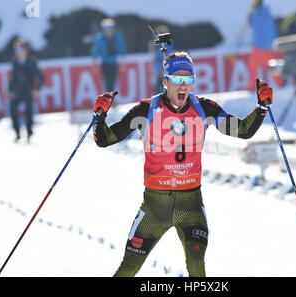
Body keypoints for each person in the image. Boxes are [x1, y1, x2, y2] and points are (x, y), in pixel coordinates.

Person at [92, 51, 274, 277]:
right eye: (177, 80)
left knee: (197, 269)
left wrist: (262, 108)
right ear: (165, 81)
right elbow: (105, 140)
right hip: (155, 208)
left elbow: (243, 131)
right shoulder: (145, 110)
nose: (183, 86)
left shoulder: (204, 109)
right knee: (128, 269)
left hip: (191, 206)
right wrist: (99, 116)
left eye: (188, 80)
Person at [8, 39, 44, 143]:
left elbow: (41, 77)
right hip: (17, 90)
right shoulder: (15, 62)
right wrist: (9, 90)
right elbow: (13, 78)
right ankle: (17, 133)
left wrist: (37, 89)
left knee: (28, 112)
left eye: (20, 49)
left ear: (26, 50)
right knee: (13, 110)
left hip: (28, 90)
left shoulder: (31, 62)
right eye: (16, 49)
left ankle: (29, 133)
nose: (18, 52)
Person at [243, 0, 280, 90]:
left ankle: (250, 88)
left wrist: (250, 15)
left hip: (258, 47)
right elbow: (273, 30)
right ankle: (281, 85)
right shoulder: (267, 13)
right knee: (273, 69)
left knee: (253, 69)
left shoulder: (256, 13)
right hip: (268, 47)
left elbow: (251, 24)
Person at [91, 18, 127, 93]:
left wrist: (123, 62)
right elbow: (95, 50)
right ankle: (108, 98)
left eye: (110, 30)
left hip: (114, 63)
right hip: (105, 63)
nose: (109, 32)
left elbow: (122, 49)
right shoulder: (99, 38)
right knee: (107, 81)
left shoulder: (117, 38)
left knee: (113, 81)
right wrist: (94, 63)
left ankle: (111, 97)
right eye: (107, 30)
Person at [149, 25, 174, 95]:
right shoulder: (158, 45)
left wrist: (163, 69)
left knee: (162, 88)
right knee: (158, 88)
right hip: (158, 70)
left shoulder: (166, 45)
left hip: (162, 70)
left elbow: (166, 57)